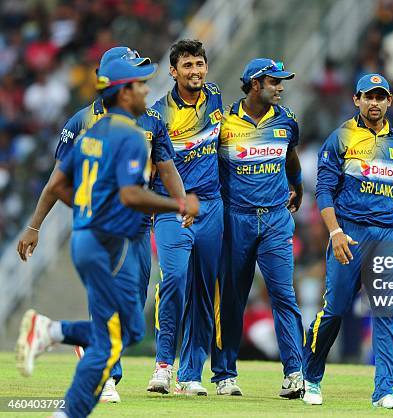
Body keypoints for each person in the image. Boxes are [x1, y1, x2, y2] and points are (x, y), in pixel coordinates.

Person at [15, 57, 199, 418]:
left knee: (129, 327)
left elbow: (164, 167)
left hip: (127, 232)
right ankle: (93, 388)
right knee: (111, 323)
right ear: (124, 90)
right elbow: (127, 194)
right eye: (141, 83)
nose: (148, 89)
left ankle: (51, 332)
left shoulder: (123, 127)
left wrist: (91, 209)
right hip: (110, 237)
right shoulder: (110, 130)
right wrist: (177, 204)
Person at [301, 73, 393, 409]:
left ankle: (385, 390)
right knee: (335, 310)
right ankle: (311, 377)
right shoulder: (340, 138)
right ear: (356, 100)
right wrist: (335, 232)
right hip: (349, 232)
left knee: (386, 314)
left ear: (389, 101)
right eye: (368, 97)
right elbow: (323, 191)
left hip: (387, 234)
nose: (374, 103)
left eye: (380, 97)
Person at [211, 58, 304, 398]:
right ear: (255, 84)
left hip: (276, 218)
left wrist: (298, 184)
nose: (280, 87)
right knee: (233, 298)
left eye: (281, 82)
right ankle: (224, 375)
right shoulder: (223, 123)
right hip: (236, 218)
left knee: (284, 296)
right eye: (274, 82)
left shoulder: (287, 120)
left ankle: (294, 372)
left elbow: (290, 155)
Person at [146, 39, 223, 396]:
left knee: (205, 292)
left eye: (200, 64)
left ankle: (191, 374)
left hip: (210, 207)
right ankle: (163, 365)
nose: (195, 71)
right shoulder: (158, 114)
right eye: (187, 66)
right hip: (172, 210)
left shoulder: (216, 99)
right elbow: (151, 165)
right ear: (173, 71)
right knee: (174, 280)